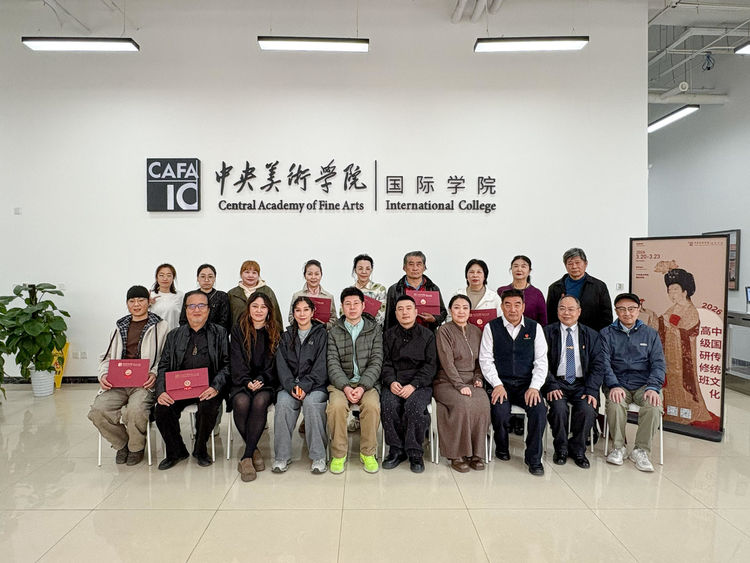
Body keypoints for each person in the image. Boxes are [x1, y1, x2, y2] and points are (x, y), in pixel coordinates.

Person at [88, 285, 169, 465]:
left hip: (143, 383)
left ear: (148, 302)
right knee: (97, 411)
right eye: (132, 301)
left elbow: (165, 357)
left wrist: (154, 373)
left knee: (135, 410)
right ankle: (122, 443)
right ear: (127, 304)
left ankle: (136, 448)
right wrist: (103, 375)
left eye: (141, 300)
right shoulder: (118, 328)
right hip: (117, 382)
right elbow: (106, 357)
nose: (136, 304)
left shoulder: (161, 326)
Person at [154, 291, 230, 470]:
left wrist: (215, 387)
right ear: (186, 310)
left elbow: (227, 365)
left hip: (208, 387)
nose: (197, 310)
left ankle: (200, 449)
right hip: (179, 388)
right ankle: (176, 451)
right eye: (192, 306)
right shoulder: (174, 335)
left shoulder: (219, 333)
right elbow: (163, 366)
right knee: (162, 409)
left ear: (208, 310)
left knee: (208, 407)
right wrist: (161, 391)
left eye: (201, 305)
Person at [479, 288, 549, 476]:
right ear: (502, 307)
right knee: (499, 411)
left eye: (517, 305)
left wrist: (534, 387)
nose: (512, 309)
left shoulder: (535, 328)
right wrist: (497, 384)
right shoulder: (491, 327)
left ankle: (533, 458)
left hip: (527, 385)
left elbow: (541, 361)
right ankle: (502, 447)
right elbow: (485, 360)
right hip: (501, 383)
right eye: (508, 305)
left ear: (523, 307)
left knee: (539, 411)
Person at [601, 293, 666, 472]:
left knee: (653, 405)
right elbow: (603, 363)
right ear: (616, 311)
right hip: (618, 383)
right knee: (615, 403)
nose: (627, 313)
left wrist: (653, 387)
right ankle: (618, 448)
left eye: (631, 309)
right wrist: (613, 385)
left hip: (644, 384)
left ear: (638, 310)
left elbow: (659, 364)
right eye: (622, 309)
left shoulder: (650, 334)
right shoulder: (606, 333)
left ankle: (640, 450)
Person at [543, 296, 606, 469]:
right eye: (562, 308)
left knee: (587, 408)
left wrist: (591, 389)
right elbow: (540, 362)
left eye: (571, 309)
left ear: (579, 312)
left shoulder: (591, 335)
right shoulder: (546, 332)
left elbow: (598, 365)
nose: (566, 313)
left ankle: (578, 449)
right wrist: (551, 384)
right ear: (557, 311)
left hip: (582, 384)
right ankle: (561, 449)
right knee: (558, 408)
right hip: (557, 382)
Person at [326, 287, 383, 474]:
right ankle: (339, 454)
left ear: (363, 305)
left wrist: (363, 386)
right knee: (336, 407)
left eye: (356, 303)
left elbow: (377, 361)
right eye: (347, 304)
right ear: (342, 307)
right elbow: (332, 363)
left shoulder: (374, 329)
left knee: (372, 406)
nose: (352, 308)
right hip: (340, 384)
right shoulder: (334, 331)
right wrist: (345, 387)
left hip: (368, 383)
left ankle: (368, 453)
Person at [380, 295, 437, 473]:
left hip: (419, 383)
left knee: (414, 407)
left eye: (408, 308)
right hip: (395, 381)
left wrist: (414, 385)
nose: (405, 312)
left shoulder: (428, 335)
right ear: (395, 313)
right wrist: (391, 381)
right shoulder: (388, 335)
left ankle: (415, 452)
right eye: (400, 309)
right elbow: (385, 363)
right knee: (388, 404)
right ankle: (396, 450)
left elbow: (431, 365)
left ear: (416, 311)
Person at [434, 294, 490, 472]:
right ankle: (456, 454)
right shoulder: (444, 331)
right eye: (457, 307)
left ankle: (476, 453)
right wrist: (459, 385)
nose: (461, 311)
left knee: (483, 402)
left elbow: (481, 360)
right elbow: (447, 362)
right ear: (450, 310)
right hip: (446, 381)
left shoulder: (477, 331)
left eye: (465, 308)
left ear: (470, 311)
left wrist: (478, 378)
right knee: (462, 403)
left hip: (471, 380)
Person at [273, 296, 329, 474]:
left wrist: (304, 386)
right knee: (283, 404)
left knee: (312, 404)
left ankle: (319, 456)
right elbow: (281, 366)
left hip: (315, 385)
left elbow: (321, 366)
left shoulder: (322, 335)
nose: (302, 314)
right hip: (290, 386)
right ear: (293, 313)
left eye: (306, 310)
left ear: (313, 312)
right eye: (298, 310)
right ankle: (282, 456)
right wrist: (292, 386)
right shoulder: (286, 336)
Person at [230, 291, 281, 482]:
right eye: (255, 306)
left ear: (269, 310)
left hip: (267, 381)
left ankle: (246, 456)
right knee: (241, 402)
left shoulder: (275, 330)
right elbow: (236, 359)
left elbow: (274, 362)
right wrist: (246, 381)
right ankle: (254, 451)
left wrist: (261, 379)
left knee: (260, 401)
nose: (259, 310)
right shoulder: (238, 329)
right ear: (248, 308)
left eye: (263, 307)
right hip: (241, 380)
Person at [655, 268, 713, 426]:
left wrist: (671, 328)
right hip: (669, 354)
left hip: (683, 356)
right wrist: (653, 317)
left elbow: (689, 330)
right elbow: (661, 323)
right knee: (670, 382)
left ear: (685, 291)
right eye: (669, 290)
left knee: (683, 382)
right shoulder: (673, 308)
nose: (671, 293)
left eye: (675, 289)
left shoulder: (690, 310)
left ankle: (690, 412)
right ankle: (671, 411)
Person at [546, 248, 612, 331]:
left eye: (577, 262)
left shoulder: (599, 286)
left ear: (586, 263)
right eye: (570, 263)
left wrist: (599, 335)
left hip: (592, 334)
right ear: (565, 265)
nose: (574, 266)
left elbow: (606, 316)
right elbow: (550, 315)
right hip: (563, 333)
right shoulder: (555, 288)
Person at [385, 250, 447, 332]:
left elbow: (443, 312)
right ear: (404, 268)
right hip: (401, 335)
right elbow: (389, 318)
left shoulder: (433, 288)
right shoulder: (394, 289)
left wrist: (434, 319)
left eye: (419, 264)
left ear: (424, 267)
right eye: (411, 264)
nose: (415, 268)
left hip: (427, 334)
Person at [227, 260, 283, 330]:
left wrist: (279, 332)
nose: (250, 275)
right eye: (247, 272)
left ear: (258, 275)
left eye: (254, 273)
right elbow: (227, 318)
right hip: (238, 333)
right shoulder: (232, 293)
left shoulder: (267, 291)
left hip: (264, 333)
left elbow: (276, 315)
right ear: (241, 274)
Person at [179, 264, 231, 333]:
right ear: (197, 278)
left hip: (216, 335)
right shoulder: (190, 296)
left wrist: (214, 334)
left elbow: (225, 321)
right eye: (203, 276)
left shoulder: (222, 296)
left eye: (210, 276)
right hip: (193, 335)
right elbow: (183, 320)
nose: (206, 280)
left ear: (215, 278)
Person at [497, 255, 546, 325]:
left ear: (529, 271)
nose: (519, 269)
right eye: (516, 266)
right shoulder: (501, 291)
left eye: (523, 266)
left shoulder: (537, 293)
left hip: (530, 330)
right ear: (511, 269)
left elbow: (543, 321)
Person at [288, 259, 337, 329]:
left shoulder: (328, 297)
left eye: (317, 274)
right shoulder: (297, 296)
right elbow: (291, 318)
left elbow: (334, 319)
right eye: (309, 274)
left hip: (322, 334)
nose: (313, 277)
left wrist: (324, 326)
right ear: (305, 275)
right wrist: (304, 326)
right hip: (302, 334)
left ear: (321, 275)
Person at [347, 253, 387, 326]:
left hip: (373, 330)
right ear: (355, 270)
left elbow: (381, 317)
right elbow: (344, 313)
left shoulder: (380, 289)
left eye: (367, 269)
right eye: (360, 268)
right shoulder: (349, 291)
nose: (364, 272)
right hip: (352, 329)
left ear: (371, 270)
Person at [149, 263, 183, 331]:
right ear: (156, 278)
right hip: (154, 334)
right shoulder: (151, 295)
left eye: (169, 275)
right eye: (161, 275)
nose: (165, 278)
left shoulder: (180, 295)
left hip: (174, 333)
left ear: (173, 278)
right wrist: (148, 304)